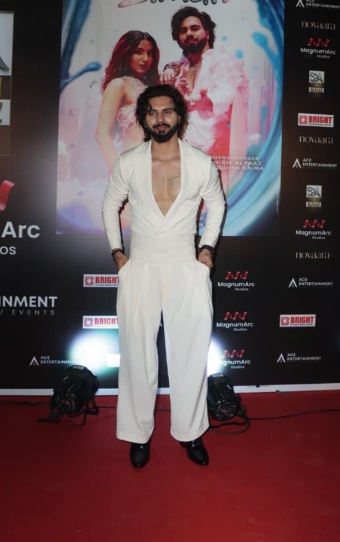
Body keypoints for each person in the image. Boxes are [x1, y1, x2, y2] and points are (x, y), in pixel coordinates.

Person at [102, 84, 225, 468]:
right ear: (143, 118)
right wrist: (118, 253)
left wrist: (206, 249)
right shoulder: (129, 162)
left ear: (179, 116)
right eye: (152, 111)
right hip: (139, 268)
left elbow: (217, 203)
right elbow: (110, 205)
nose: (160, 118)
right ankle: (138, 435)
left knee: (190, 355)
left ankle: (191, 432)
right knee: (137, 356)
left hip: (186, 269)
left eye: (167, 111)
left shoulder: (200, 162)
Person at [160, 6, 252, 189]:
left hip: (213, 150)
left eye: (195, 28)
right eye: (183, 31)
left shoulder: (221, 60)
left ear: (207, 32)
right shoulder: (183, 66)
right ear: (178, 38)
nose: (189, 33)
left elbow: (228, 90)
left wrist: (209, 101)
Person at [95, 30, 161, 171]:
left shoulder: (152, 87)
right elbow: (101, 133)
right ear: (125, 53)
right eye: (138, 52)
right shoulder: (119, 85)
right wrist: (119, 171)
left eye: (150, 54)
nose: (145, 59)